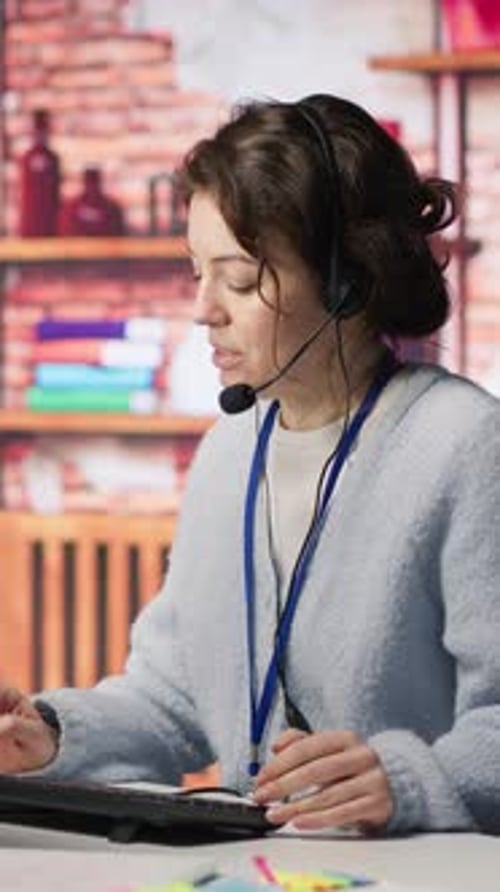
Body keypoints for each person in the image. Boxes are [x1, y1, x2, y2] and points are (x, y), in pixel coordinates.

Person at [0, 93, 499, 837]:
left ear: (345, 282)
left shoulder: (466, 444)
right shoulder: (231, 450)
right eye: (196, 272)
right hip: (269, 872)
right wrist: (50, 737)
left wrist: (409, 782)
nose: (204, 308)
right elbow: (175, 697)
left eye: (236, 279)